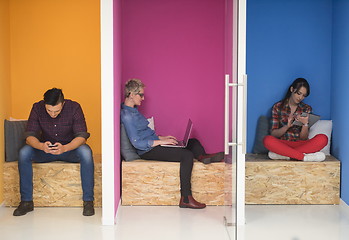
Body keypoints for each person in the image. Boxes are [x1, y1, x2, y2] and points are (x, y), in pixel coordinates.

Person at [121, 79, 224, 209]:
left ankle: (202, 157)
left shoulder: (134, 111)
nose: (143, 98)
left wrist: (162, 137)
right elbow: (138, 143)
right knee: (186, 155)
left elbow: (143, 133)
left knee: (192, 141)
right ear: (131, 94)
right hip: (147, 150)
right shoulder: (127, 116)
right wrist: (161, 142)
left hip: (154, 143)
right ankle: (186, 198)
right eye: (140, 95)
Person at [13, 88, 95, 216]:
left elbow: (82, 137)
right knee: (24, 152)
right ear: (44, 104)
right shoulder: (37, 108)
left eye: (56, 111)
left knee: (86, 152)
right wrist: (40, 146)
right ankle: (26, 202)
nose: (52, 114)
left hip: (69, 149)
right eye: (49, 111)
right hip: (45, 150)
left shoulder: (74, 107)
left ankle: (88, 202)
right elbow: (29, 137)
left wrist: (65, 148)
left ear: (63, 103)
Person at [263, 78, 328, 161]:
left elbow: (303, 138)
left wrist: (305, 124)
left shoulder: (306, 108)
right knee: (267, 140)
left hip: (301, 144)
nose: (300, 97)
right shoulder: (278, 107)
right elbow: (274, 134)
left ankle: (286, 155)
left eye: (303, 95)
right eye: (298, 93)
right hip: (283, 144)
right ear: (292, 89)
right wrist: (287, 126)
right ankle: (303, 157)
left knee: (323, 138)